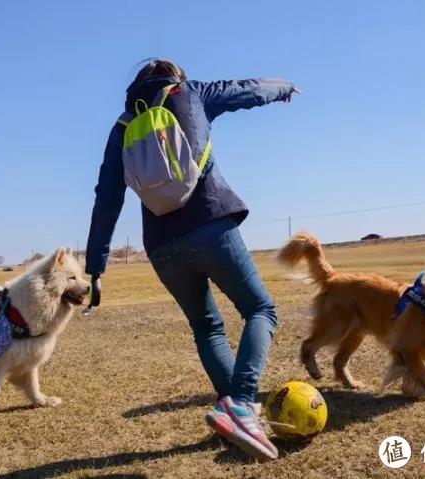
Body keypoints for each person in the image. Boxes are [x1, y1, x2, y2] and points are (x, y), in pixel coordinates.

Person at [85, 59, 299, 460]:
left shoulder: (122, 125)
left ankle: (235, 416)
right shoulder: (193, 92)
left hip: (161, 244)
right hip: (210, 223)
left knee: (206, 327)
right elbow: (249, 89)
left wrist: (95, 266)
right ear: (175, 76)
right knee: (260, 309)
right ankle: (241, 402)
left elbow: (107, 198)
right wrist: (285, 86)